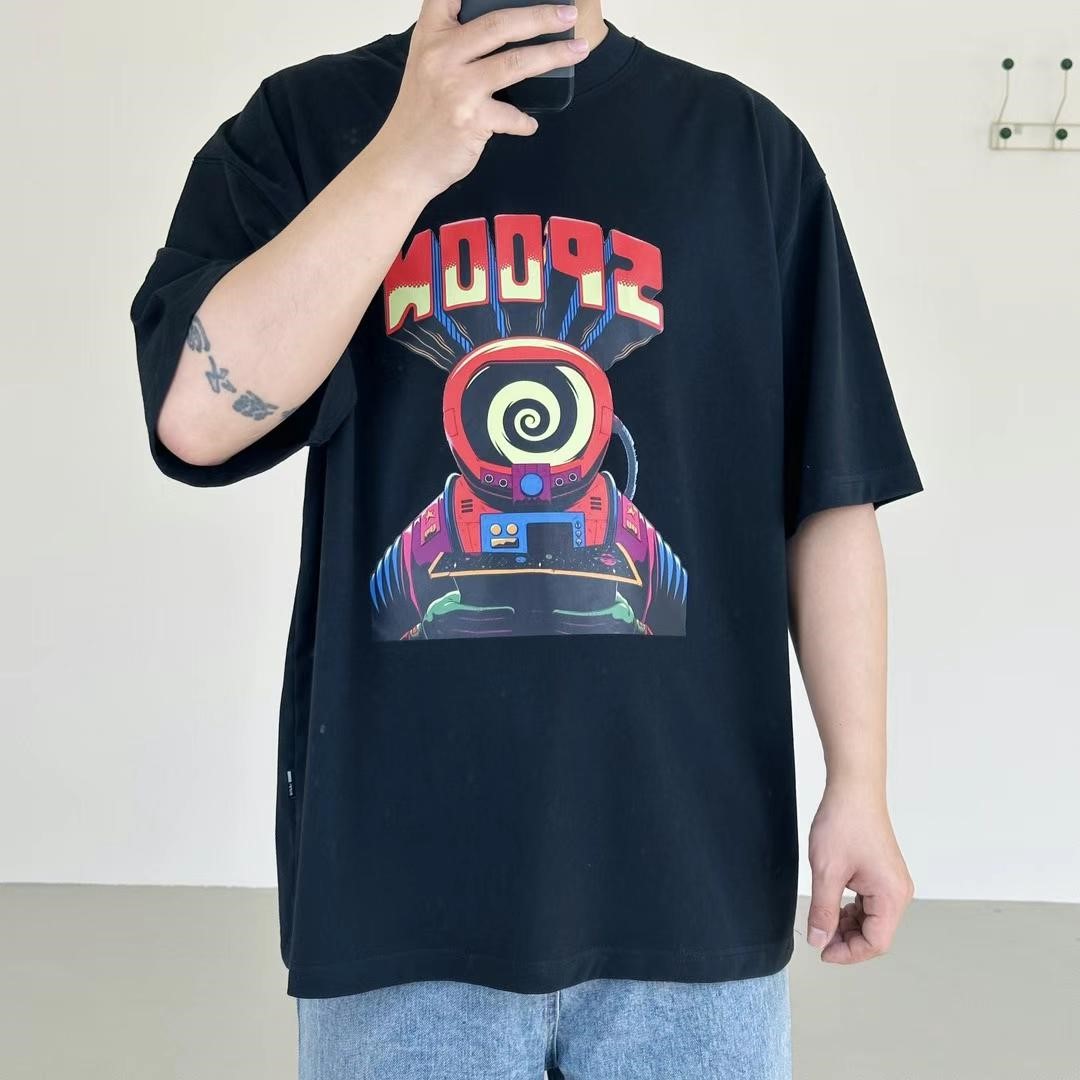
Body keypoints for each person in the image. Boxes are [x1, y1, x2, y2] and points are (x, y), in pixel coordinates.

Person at [130, 1, 923, 1076]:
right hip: (398, 898)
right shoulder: (305, 126)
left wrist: (860, 782)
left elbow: (831, 494)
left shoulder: (746, 149)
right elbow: (195, 418)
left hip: (691, 874)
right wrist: (404, 159)